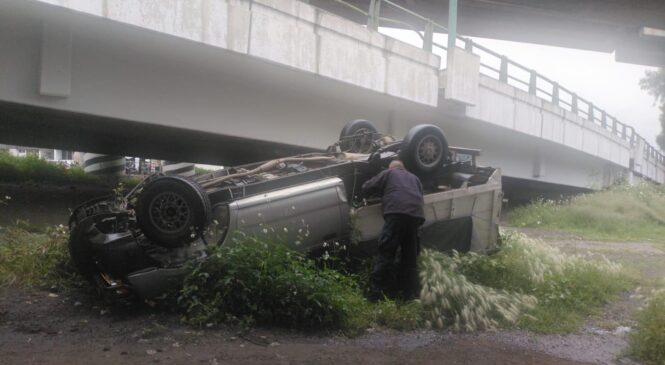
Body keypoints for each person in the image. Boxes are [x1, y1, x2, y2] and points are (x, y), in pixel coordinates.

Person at [362, 159, 425, 300]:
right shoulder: (415, 178)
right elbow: (420, 196)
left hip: (396, 213)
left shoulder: (389, 173)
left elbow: (367, 187)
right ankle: (408, 296)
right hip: (416, 216)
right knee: (410, 258)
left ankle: (374, 294)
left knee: (386, 252)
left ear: (392, 168)